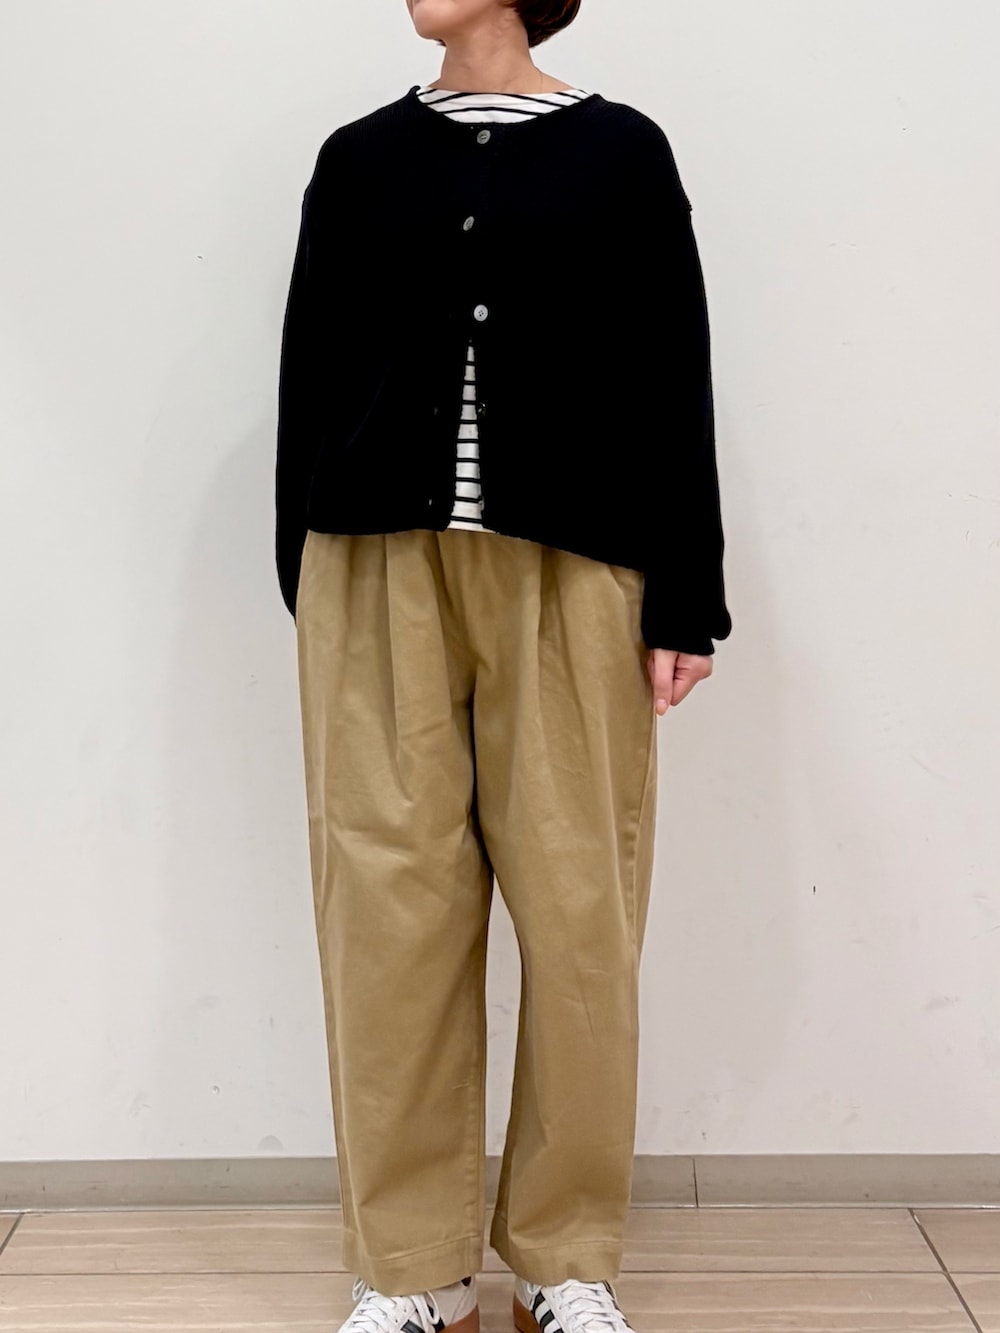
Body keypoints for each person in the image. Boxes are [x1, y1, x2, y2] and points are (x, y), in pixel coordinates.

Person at [275, 2, 732, 1331]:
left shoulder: (622, 153)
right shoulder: (360, 158)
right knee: (385, 916)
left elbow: (672, 369)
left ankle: (564, 1258)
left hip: (575, 573)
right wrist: (308, 570)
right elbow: (310, 364)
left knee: (582, 916)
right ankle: (410, 1269)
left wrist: (685, 594)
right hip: (378, 569)